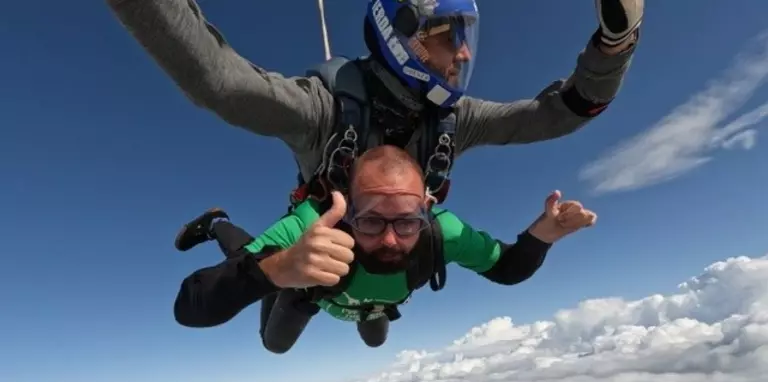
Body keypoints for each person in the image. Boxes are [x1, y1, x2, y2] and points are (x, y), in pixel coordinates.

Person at [106, 0, 644, 205]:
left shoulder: (457, 119)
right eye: (445, 36)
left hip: (398, 248)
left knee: (383, 308)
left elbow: (560, 115)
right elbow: (219, 83)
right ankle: (232, 238)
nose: (461, 53)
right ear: (401, 38)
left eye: (466, 37)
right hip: (321, 248)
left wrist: (614, 46)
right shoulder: (323, 109)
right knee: (282, 329)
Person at [172, 145, 597, 352]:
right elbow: (191, 306)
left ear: (427, 209)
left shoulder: (440, 232)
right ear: (348, 207)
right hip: (309, 288)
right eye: (372, 220)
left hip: (371, 304)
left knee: (374, 339)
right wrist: (280, 270)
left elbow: (507, 268)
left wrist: (544, 234)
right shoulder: (314, 226)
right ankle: (218, 224)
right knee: (274, 343)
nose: (392, 238)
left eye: (407, 221)